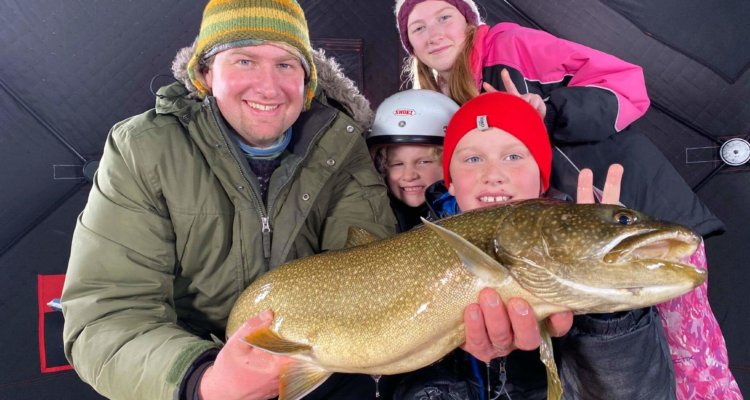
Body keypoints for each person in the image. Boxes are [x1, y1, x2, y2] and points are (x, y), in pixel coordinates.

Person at [394, 1, 740, 397]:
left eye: (444, 17)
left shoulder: (510, 44)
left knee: (687, 354)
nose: (433, 33)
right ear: (410, 45)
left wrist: (552, 110)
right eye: (417, 28)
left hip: (629, 212)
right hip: (562, 239)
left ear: (469, 21)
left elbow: (627, 83)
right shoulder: (443, 93)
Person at [60, 1, 404, 399]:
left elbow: (372, 284)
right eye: (244, 61)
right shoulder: (143, 149)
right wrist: (202, 380)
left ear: (307, 81)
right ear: (206, 73)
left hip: (323, 375)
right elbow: (107, 314)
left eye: (286, 64)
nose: (268, 86)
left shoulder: (342, 146)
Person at [393, 91, 675, 399]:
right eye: (473, 159)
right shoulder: (408, 246)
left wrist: (608, 315)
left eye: (513, 156)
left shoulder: (582, 252)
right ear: (450, 181)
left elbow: (641, 393)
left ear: (541, 177)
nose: (493, 175)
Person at [367, 89, 459, 231]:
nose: (409, 176)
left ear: (451, 163)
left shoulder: (463, 213)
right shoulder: (370, 217)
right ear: (380, 168)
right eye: (397, 164)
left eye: (424, 162)